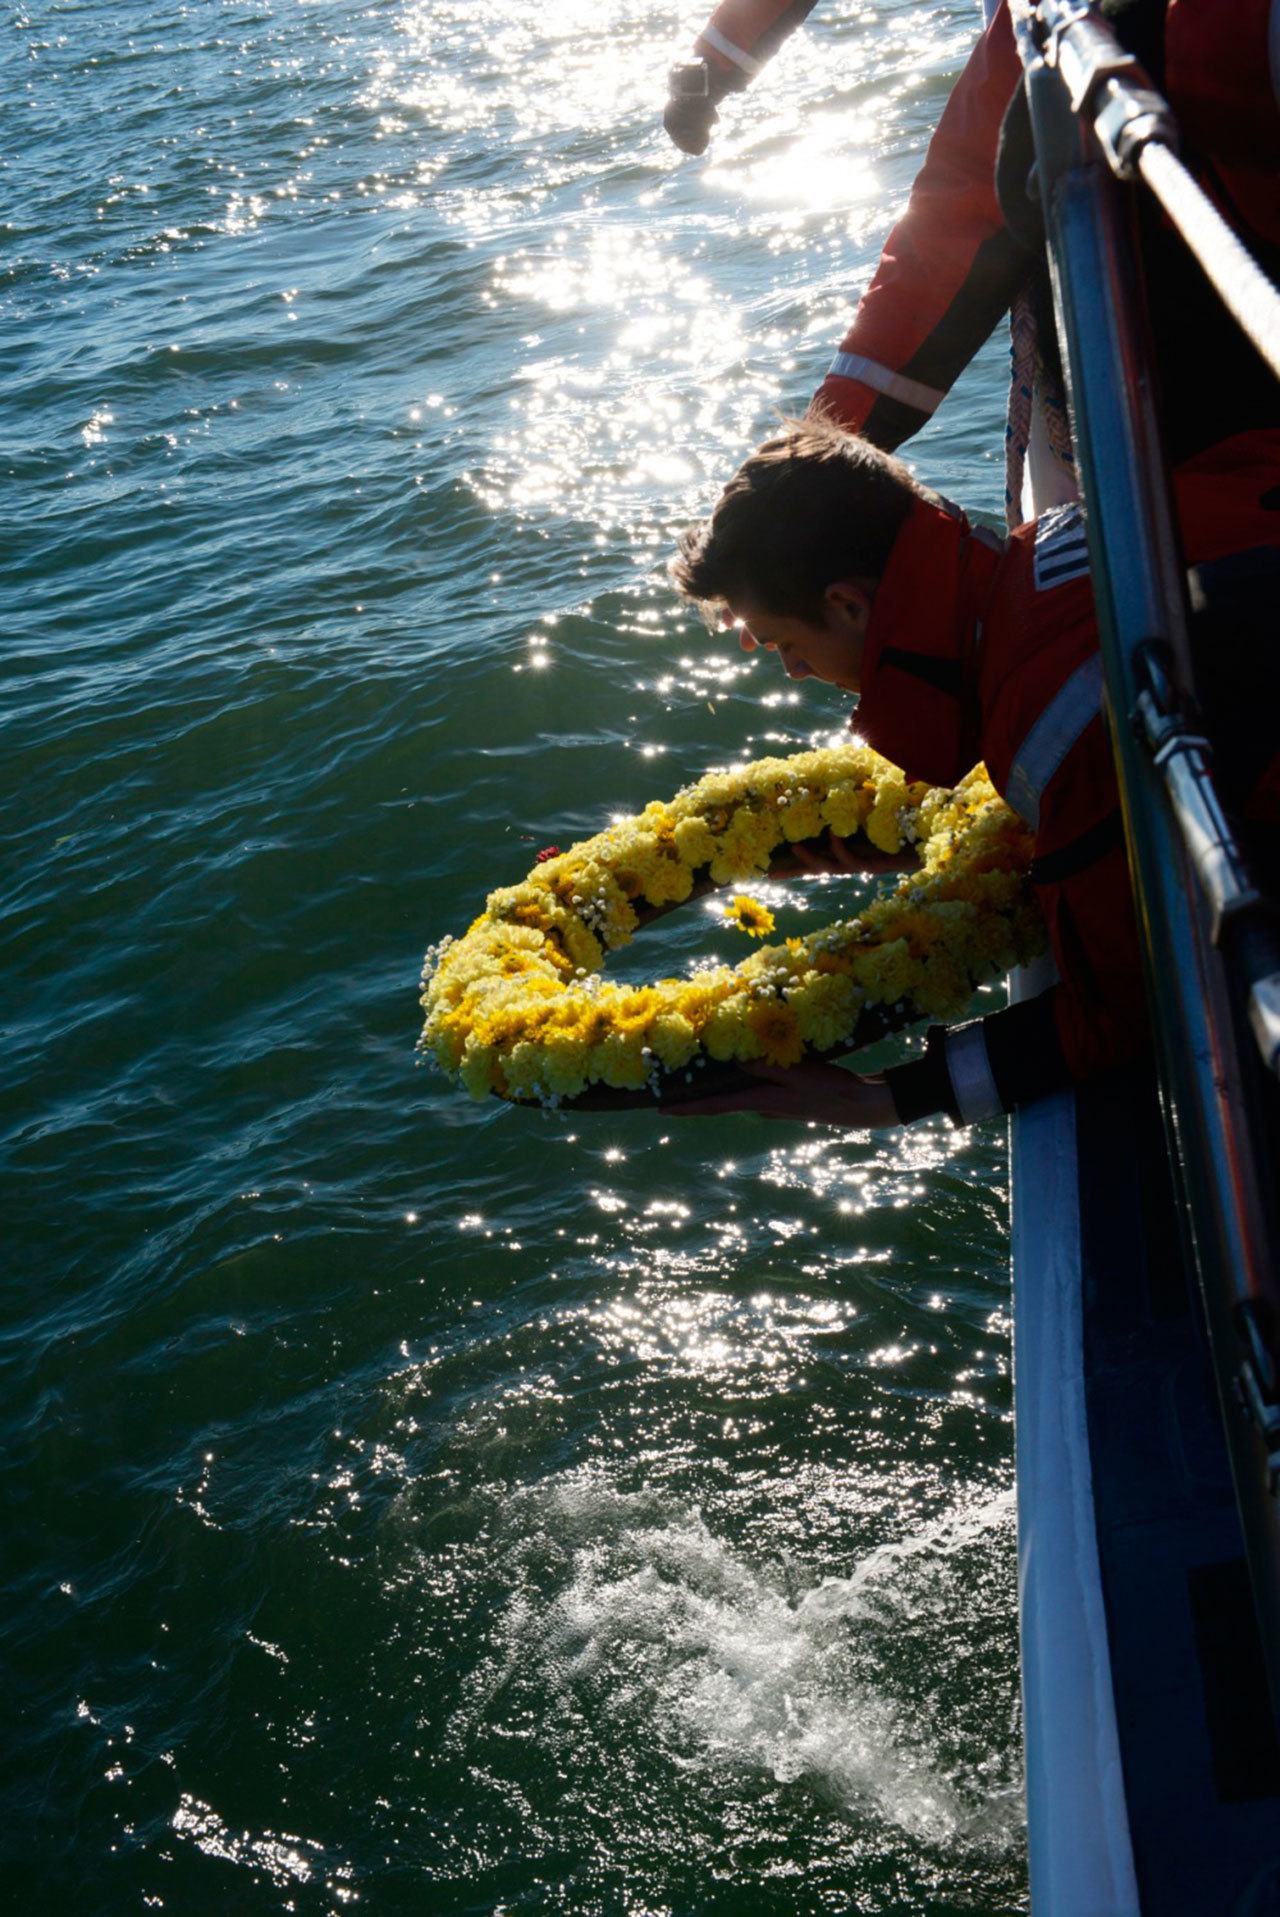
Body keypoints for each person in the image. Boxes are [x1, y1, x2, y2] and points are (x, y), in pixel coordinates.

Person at [665, 417, 1280, 1130]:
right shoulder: (1074, 532)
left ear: (848, 603)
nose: (791, 667)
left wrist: (881, 1097)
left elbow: (1123, 1004)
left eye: (784, 643)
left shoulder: (1053, 722)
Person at [665, 0, 1280, 517]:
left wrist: (828, 444)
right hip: (1107, 229)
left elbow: (965, 209)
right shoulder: (1050, 31)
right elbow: (969, 198)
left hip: (1175, 312)